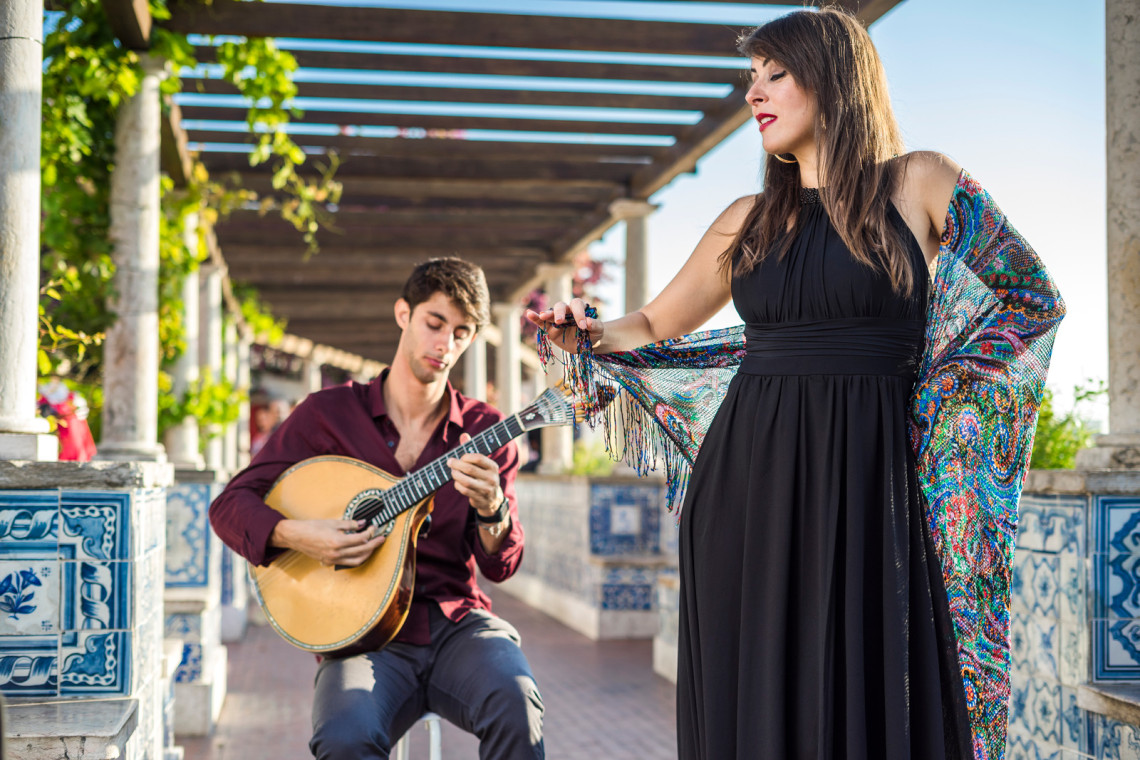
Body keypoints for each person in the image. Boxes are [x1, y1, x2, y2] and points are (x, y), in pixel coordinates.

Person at [527, 9, 1064, 760]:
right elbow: (648, 324)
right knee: (759, 712)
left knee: (877, 700)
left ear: (836, 78)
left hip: (877, 485)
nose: (755, 93)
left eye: (775, 73)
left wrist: (942, 400)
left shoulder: (919, 182)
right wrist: (580, 333)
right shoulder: (745, 220)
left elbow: (1029, 295)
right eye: (751, 77)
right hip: (747, 492)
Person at [211, 257, 544, 760]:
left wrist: (493, 508)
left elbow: (501, 565)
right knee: (344, 739)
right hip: (361, 637)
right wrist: (299, 535)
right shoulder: (328, 414)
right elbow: (230, 505)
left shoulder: (486, 429)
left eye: (461, 333)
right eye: (434, 324)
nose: (445, 345)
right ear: (403, 314)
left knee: (517, 706)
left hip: (458, 624)